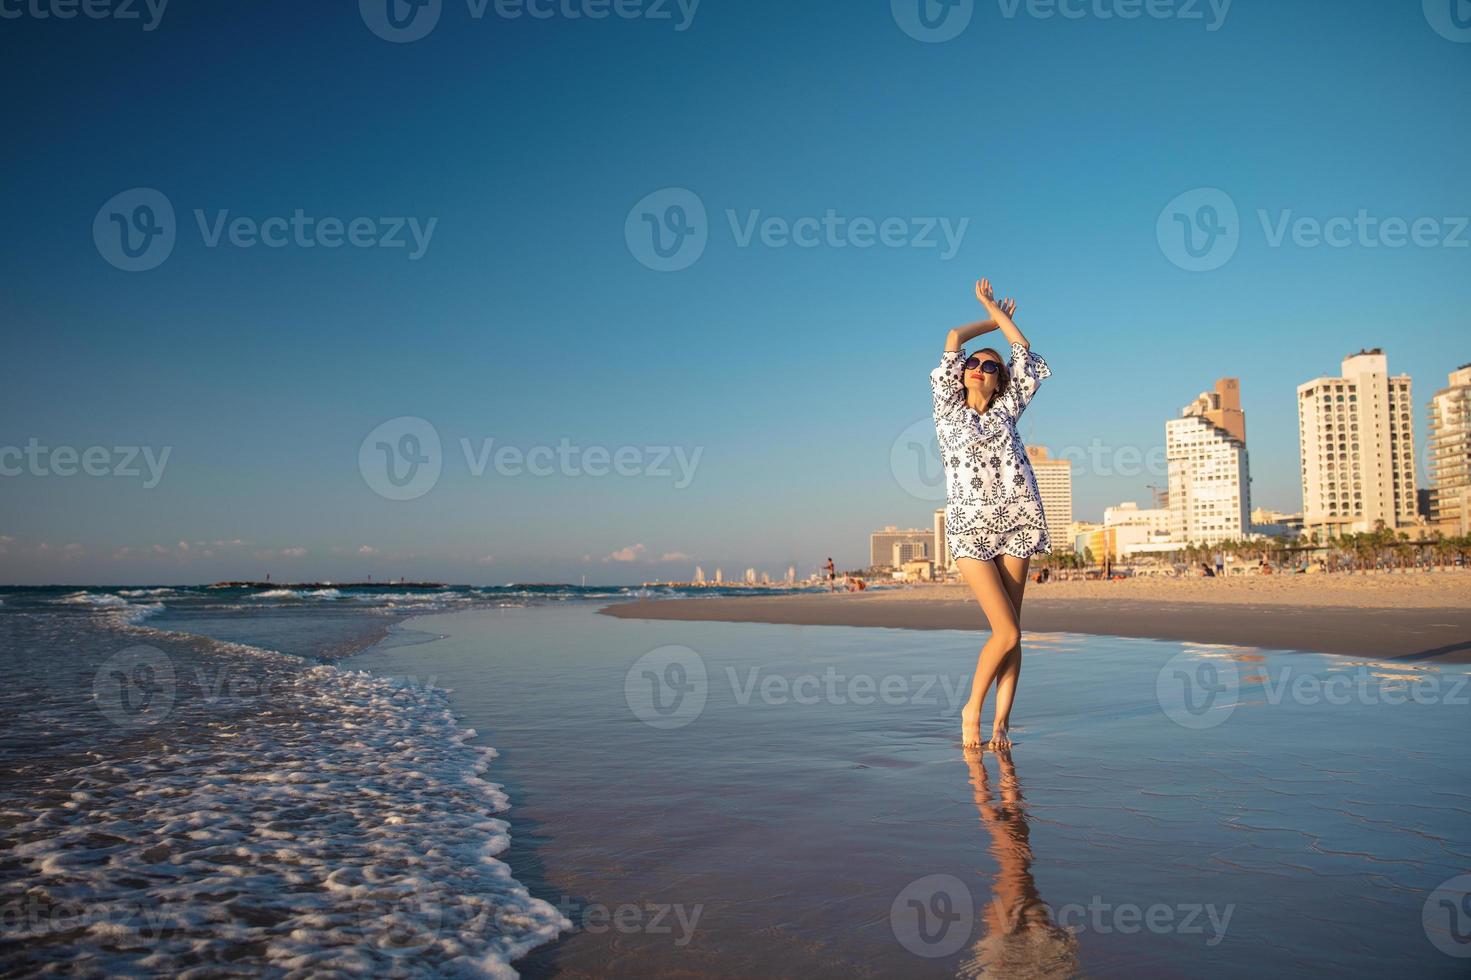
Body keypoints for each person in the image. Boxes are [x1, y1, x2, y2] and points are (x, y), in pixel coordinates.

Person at [930, 278, 1053, 750]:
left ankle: (1001, 723)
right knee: (1004, 629)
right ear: (961, 374)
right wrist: (988, 310)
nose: (981, 366)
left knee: (1013, 632)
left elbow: (1021, 348)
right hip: (970, 533)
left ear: (1001, 381)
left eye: (990, 366)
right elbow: (953, 339)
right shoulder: (947, 410)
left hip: (1019, 523)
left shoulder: (1008, 410)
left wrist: (1005, 325)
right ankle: (971, 709)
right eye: (975, 364)